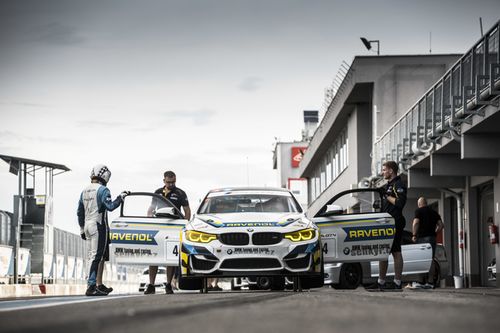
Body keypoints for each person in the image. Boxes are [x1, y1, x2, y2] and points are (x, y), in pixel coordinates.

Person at [77, 164, 128, 296]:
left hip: (87, 225)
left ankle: (94, 285)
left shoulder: (84, 191)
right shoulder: (103, 190)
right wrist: (121, 197)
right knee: (96, 257)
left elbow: (79, 212)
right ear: (105, 177)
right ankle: (91, 286)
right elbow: (110, 206)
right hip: (98, 225)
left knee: (91, 256)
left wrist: (82, 228)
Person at [144, 170, 191, 294]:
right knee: (153, 256)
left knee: (171, 257)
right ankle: (151, 285)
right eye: (169, 182)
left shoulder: (180, 193)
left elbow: (187, 211)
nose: (171, 184)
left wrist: (184, 225)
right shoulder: (158, 192)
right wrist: (149, 220)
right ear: (164, 180)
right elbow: (151, 208)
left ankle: (169, 284)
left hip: (173, 228)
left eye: (173, 182)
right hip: (158, 227)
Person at [368, 160, 407, 290]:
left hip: (395, 222)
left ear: (391, 171)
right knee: (383, 252)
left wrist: (386, 195)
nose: (382, 172)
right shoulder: (389, 185)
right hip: (386, 223)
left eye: (384, 170)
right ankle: (381, 282)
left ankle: (397, 282)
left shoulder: (398, 184)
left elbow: (400, 203)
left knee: (396, 251)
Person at [411, 197, 444, 288]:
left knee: (421, 259)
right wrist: (434, 232)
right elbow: (441, 225)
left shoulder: (418, 211)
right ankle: (430, 282)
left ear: (419, 204)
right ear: (426, 203)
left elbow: (416, 223)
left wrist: (414, 235)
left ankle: (421, 281)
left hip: (421, 238)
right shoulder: (434, 212)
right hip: (431, 238)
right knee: (431, 259)